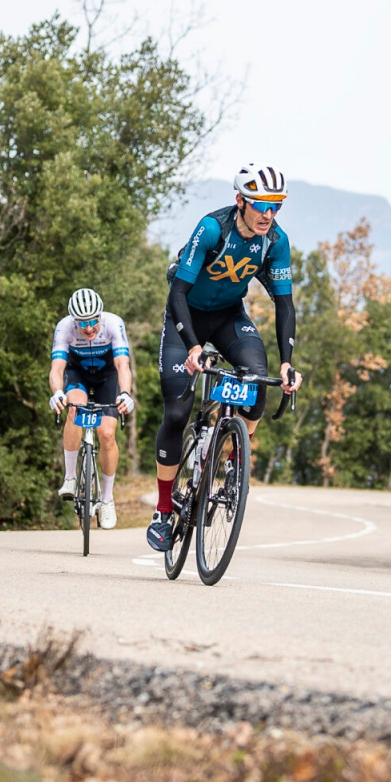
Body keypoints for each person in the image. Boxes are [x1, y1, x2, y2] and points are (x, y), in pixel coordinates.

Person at [146, 162, 303, 552]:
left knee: (257, 380)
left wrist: (287, 362)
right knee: (178, 412)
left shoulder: (276, 240)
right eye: (261, 205)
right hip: (187, 319)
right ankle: (163, 511)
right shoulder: (213, 228)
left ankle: (233, 456)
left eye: (276, 206)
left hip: (230, 318)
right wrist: (194, 346)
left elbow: (284, 304)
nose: (269, 215)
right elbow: (178, 293)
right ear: (240, 201)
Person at [48, 288, 135, 530]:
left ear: (100, 315)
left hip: (108, 376)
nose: (88, 328)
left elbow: (122, 366)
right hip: (78, 375)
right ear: (73, 320)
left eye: (93, 321)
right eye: (82, 323)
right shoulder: (64, 327)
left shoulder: (113, 324)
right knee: (75, 409)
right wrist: (57, 393)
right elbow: (57, 369)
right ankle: (70, 478)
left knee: (107, 433)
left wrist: (126, 394)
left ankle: (107, 499)